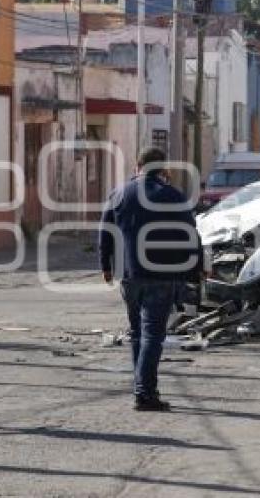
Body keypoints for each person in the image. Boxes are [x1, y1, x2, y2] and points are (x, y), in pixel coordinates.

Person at [99, 147, 202, 412]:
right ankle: (144, 393)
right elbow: (190, 234)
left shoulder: (119, 193)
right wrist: (197, 268)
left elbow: (105, 232)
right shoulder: (173, 195)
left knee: (138, 333)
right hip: (161, 274)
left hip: (129, 275)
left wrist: (106, 266)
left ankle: (142, 387)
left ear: (138, 166)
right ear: (163, 169)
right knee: (153, 335)